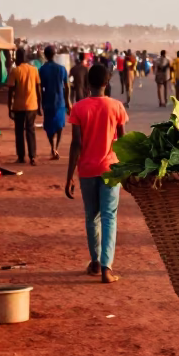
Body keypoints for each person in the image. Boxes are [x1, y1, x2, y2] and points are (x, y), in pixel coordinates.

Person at [65, 63, 128, 285]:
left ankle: (94, 261)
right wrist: (127, 169)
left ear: (88, 82)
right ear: (107, 81)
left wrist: (69, 176)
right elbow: (123, 141)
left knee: (92, 216)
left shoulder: (79, 108)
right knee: (109, 216)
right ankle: (106, 267)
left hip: (87, 169)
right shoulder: (117, 107)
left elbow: (76, 144)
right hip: (111, 168)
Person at [7, 47, 42, 165]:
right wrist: (39, 106)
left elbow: (11, 91)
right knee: (30, 131)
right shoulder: (34, 70)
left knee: (19, 132)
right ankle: (33, 156)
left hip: (18, 106)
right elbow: (38, 89)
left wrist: (9, 107)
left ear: (17, 57)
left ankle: (21, 157)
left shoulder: (15, 71)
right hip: (32, 105)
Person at [39, 45, 71, 160]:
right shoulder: (61, 69)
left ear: (45, 55)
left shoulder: (42, 69)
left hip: (47, 101)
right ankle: (56, 147)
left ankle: (52, 147)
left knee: (48, 126)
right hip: (60, 101)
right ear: (54, 54)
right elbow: (67, 87)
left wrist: (40, 103)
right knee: (60, 125)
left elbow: (40, 88)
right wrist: (68, 102)